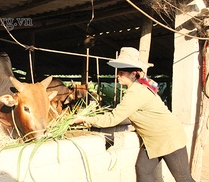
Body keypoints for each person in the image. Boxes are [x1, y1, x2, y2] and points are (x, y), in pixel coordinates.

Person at [72, 47, 195, 182]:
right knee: (143, 170)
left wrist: (84, 119)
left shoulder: (135, 93)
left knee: (183, 178)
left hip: (168, 137)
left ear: (133, 74)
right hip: (152, 140)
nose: (117, 75)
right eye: (118, 72)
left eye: (122, 72)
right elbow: (133, 114)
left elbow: (113, 118)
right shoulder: (140, 87)